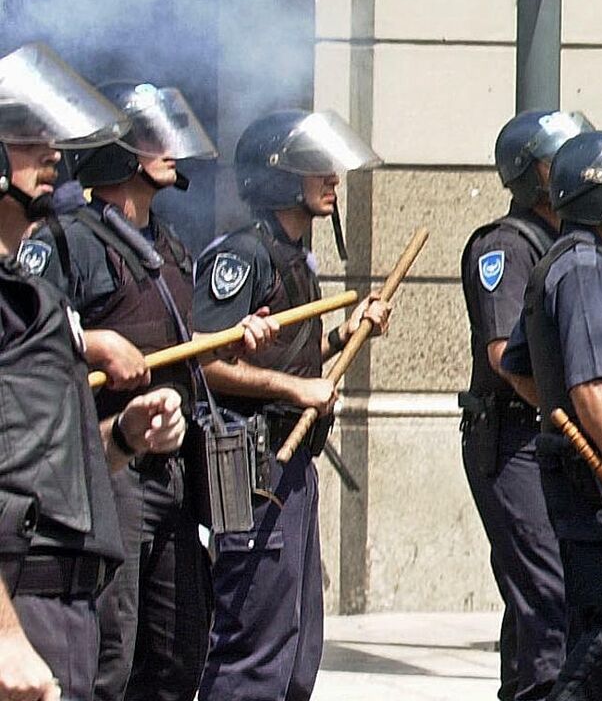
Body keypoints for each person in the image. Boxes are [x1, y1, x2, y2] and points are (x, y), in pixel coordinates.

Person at [26, 81, 278, 701]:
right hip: (106, 464)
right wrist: (93, 342)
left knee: (178, 646)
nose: (168, 148)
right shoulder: (66, 240)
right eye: (148, 137)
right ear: (115, 150)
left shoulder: (164, 245)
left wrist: (226, 341)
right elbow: (27, 330)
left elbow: (183, 340)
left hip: (170, 470)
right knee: (112, 648)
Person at [0, 41, 186, 701]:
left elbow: (45, 461)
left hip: (70, 596)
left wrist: (124, 436)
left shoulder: (34, 300)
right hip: (19, 605)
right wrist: (3, 632)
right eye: (27, 141)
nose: (52, 154)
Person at [192, 109, 390, 701]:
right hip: (253, 460)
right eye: (315, 169)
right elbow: (207, 360)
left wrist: (346, 334)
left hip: (292, 460)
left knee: (298, 646)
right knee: (255, 645)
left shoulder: (295, 259)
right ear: (279, 178)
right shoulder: (242, 257)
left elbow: (289, 360)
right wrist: (296, 392)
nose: (331, 180)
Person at [499, 127, 602, 701]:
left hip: (578, 468)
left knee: (593, 629)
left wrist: (560, 414)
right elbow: (589, 380)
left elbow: (522, 368)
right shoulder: (584, 268)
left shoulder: (564, 262)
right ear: (595, 194)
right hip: (596, 480)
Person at [459, 110, 590, 701]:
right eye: (556, 159)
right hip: (515, 441)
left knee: (550, 597)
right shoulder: (505, 248)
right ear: (529, 172)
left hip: (554, 442)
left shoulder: (568, 243)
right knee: (549, 597)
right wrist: (580, 423)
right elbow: (504, 358)